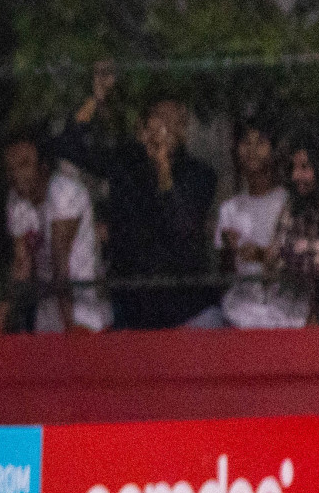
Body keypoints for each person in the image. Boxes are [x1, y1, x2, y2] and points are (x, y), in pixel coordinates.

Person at [57, 82, 217, 329]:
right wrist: (95, 99)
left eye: (172, 122)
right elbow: (69, 145)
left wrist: (163, 168)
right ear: (143, 128)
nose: (162, 130)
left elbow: (182, 227)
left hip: (184, 309)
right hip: (130, 306)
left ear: (183, 130)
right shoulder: (125, 162)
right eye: (157, 121)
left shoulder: (201, 175)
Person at [0, 137, 112, 334]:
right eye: (10, 168)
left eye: (24, 165)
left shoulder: (65, 192)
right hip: (47, 310)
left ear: (43, 167)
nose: (15, 174)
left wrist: (70, 328)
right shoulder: (16, 200)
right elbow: (22, 264)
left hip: (83, 311)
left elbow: (59, 260)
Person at [191, 121, 301, 330]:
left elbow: (295, 258)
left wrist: (262, 255)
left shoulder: (289, 202)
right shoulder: (229, 209)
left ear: (274, 150)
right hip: (241, 314)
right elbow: (226, 275)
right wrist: (230, 251)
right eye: (245, 143)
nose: (251, 150)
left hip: (285, 314)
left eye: (260, 143)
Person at [272, 136, 319, 326]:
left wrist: (303, 249)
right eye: (294, 168)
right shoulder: (294, 207)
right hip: (302, 320)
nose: (295, 176)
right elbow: (278, 256)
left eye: (304, 168)